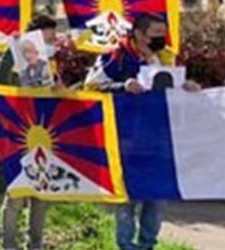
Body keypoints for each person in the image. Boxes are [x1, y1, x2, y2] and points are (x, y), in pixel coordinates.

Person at [85, 14, 200, 250]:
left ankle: (148, 244)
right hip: (127, 138)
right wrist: (122, 86)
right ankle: (125, 245)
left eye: (163, 33)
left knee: (157, 197)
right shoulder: (115, 57)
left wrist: (189, 88)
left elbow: (175, 89)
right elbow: (91, 86)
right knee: (129, 195)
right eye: (155, 33)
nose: (160, 38)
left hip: (161, 138)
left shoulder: (167, 57)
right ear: (139, 33)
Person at [0, 13, 62, 250]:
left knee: (42, 196)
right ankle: (9, 245)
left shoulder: (51, 64)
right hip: (18, 135)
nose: (50, 43)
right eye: (47, 38)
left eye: (53, 39)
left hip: (44, 135)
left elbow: (56, 95)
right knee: (16, 195)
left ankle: (35, 244)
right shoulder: (13, 59)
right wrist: (12, 50)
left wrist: (59, 88)